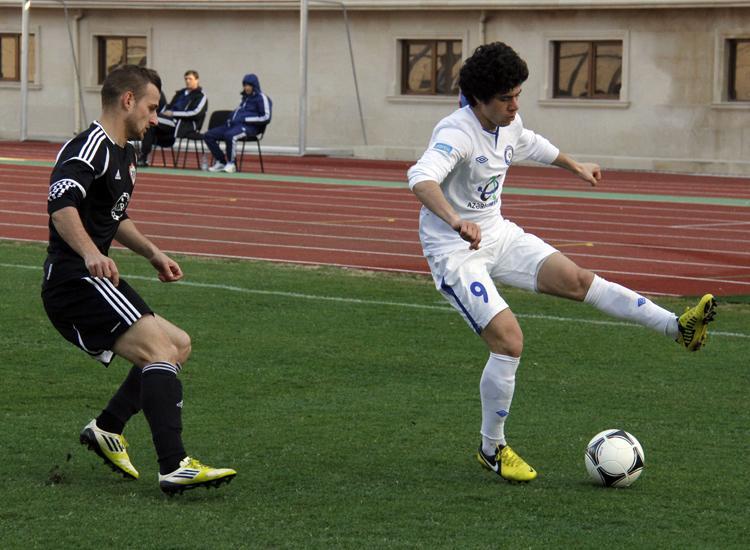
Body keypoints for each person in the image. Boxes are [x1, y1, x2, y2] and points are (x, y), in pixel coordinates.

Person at [406, 42, 716, 484]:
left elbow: (532, 144)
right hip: (454, 250)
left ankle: (677, 328)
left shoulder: (508, 122)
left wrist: (575, 165)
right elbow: (421, 177)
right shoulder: (456, 133)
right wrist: (456, 221)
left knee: (578, 279)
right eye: (506, 98)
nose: (515, 106)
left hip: (497, 233)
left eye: (518, 95)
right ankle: (492, 448)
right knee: (509, 341)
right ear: (479, 99)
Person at [41, 64, 236, 495]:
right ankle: (174, 465)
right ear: (128, 101)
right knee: (159, 350)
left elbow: (115, 216)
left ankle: (107, 428)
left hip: (93, 277)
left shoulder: (126, 153)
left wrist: (152, 253)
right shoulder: (88, 148)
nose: (155, 118)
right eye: (151, 107)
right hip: (74, 281)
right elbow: (62, 207)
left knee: (178, 344)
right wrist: (91, 252)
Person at [204, 73, 271, 173]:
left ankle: (231, 164)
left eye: (249, 85)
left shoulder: (262, 98)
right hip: (233, 125)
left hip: (250, 128)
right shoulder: (245, 98)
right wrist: (231, 119)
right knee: (208, 135)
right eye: (245, 85)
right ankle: (221, 162)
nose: (246, 87)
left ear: (254, 85)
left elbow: (266, 117)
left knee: (230, 135)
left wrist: (246, 120)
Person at [162, 69, 208, 139]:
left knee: (155, 125)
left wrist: (173, 113)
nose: (187, 81)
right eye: (186, 79)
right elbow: (170, 106)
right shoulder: (180, 93)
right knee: (152, 121)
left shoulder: (200, 96)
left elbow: (196, 113)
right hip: (171, 120)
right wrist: (163, 112)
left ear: (197, 80)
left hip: (185, 124)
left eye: (190, 79)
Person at [137, 89, 176, 167]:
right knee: (149, 123)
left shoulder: (156, 92)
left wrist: (174, 113)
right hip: (158, 124)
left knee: (149, 119)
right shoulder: (180, 93)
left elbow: (194, 112)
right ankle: (140, 156)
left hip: (172, 121)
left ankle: (143, 156)